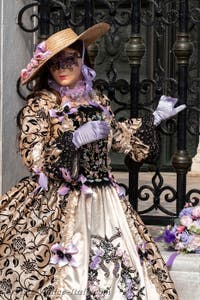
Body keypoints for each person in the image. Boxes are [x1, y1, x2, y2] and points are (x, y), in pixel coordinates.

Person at [0, 22, 185, 300]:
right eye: (55, 64)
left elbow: (119, 138)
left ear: (83, 59)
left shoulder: (98, 100)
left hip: (105, 200)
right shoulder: (41, 104)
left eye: (70, 60)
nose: (62, 68)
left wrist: (154, 119)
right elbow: (33, 154)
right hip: (56, 203)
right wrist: (71, 141)